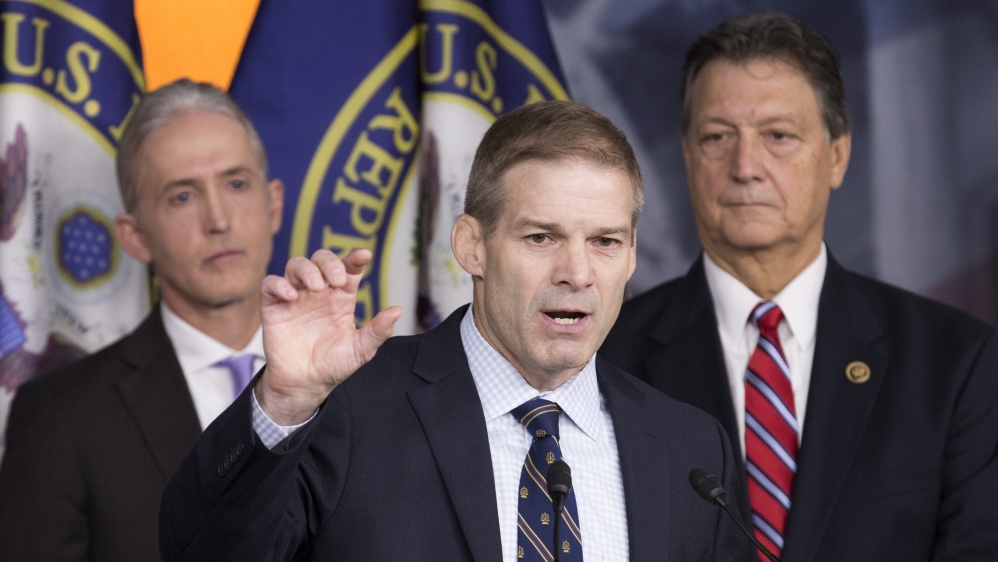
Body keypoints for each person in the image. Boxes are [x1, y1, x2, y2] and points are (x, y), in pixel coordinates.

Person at [159, 101, 750, 561]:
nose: (577, 273)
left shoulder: (690, 452)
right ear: (472, 246)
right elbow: (198, 552)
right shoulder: (343, 411)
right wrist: (285, 401)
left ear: (630, 258)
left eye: (604, 242)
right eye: (540, 237)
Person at [601, 11, 998, 562]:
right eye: (717, 137)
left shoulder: (956, 364)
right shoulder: (602, 361)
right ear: (688, 157)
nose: (746, 166)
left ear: (837, 156)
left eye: (778, 136)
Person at [0, 79, 284, 562]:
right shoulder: (60, 419)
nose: (218, 219)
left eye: (236, 183)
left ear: (273, 203)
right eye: (182, 196)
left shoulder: (369, 387)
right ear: (134, 237)